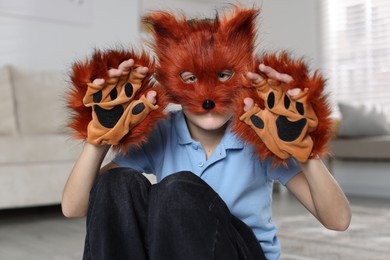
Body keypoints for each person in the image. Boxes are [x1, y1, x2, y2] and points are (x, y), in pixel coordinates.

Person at [62, 6, 351, 260]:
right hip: (173, 249)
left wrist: (307, 152)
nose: (208, 96)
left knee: (177, 189)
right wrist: (98, 140)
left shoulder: (262, 132)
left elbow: (337, 220)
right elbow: (75, 207)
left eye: (224, 75)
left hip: (241, 251)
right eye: (190, 78)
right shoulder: (161, 132)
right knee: (116, 181)